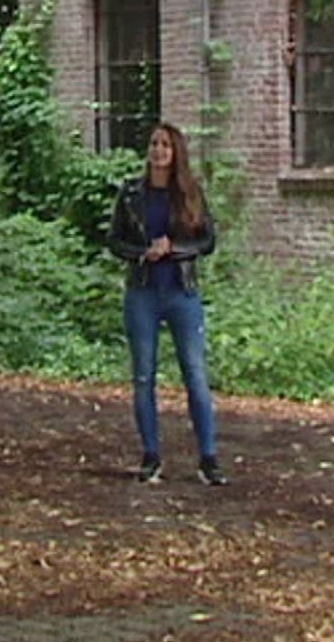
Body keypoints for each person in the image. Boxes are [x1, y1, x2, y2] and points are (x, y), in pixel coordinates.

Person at [106, 121, 225, 486]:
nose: (158, 151)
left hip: (181, 292)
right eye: (154, 144)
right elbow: (114, 241)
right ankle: (151, 455)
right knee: (144, 376)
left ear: (176, 153)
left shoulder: (189, 193)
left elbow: (207, 241)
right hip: (142, 292)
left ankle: (208, 458)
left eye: (165, 145)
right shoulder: (131, 194)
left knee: (195, 373)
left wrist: (174, 249)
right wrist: (143, 253)